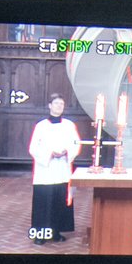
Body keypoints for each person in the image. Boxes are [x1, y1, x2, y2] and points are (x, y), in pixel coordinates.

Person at [27, 95, 82, 243]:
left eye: (62, 104)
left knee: (59, 201)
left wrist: (66, 152)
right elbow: (33, 148)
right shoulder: (41, 126)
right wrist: (49, 154)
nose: (59, 106)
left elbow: (76, 144)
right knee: (44, 202)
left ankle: (56, 232)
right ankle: (40, 235)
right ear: (50, 105)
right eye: (56, 103)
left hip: (62, 168)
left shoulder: (69, 125)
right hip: (45, 170)